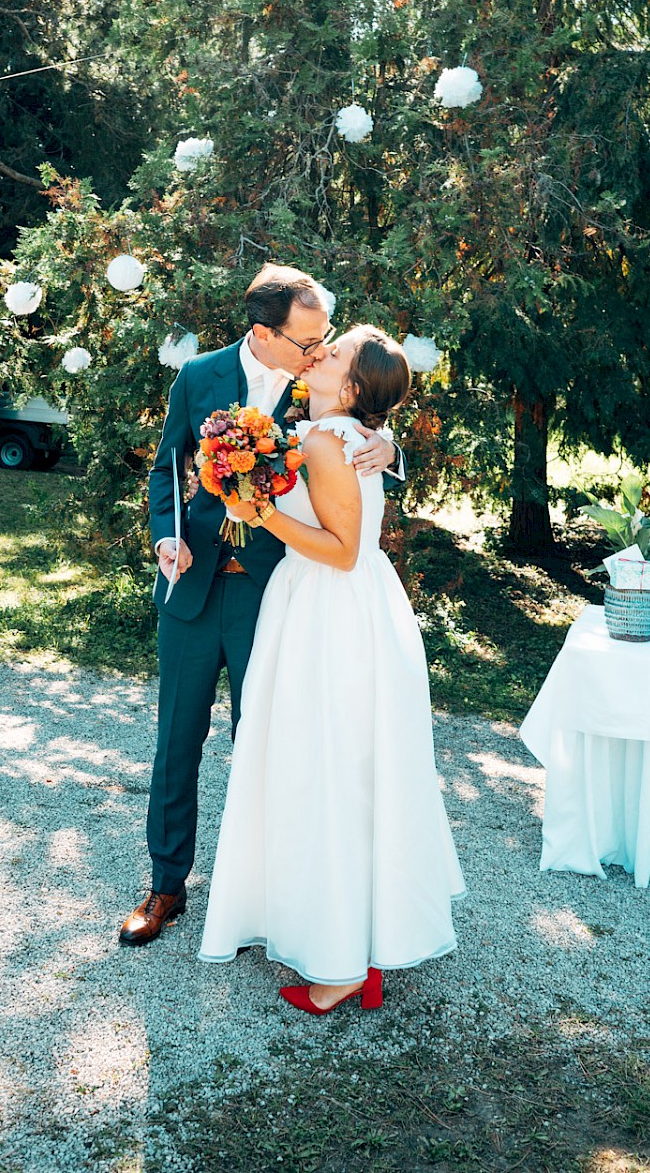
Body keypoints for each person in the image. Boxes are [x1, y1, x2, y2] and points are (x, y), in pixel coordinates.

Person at [118, 267, 404, 947]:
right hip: (194, 585)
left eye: (323, 339)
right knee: (175, 743)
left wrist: (391, 450)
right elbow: (168, 468)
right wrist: (167, 535)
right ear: (262, 332)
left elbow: (363, 424)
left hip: (275, 595)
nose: (318, 350)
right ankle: (165, 888)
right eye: (306, 339)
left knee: (271, 746)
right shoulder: (199, 377)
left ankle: (263, 897)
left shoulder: (322, 383)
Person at [198, 326, 465, 1013]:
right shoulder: (328, 432)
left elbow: (342, 550)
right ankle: (344, 933)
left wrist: (255, 511)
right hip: (341, 607)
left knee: (326, 770)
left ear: (348, 386)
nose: (321, 352)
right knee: (340, 769)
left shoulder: (325, 438)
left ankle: (344, 963)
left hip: (329, 608)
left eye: (336, 351)